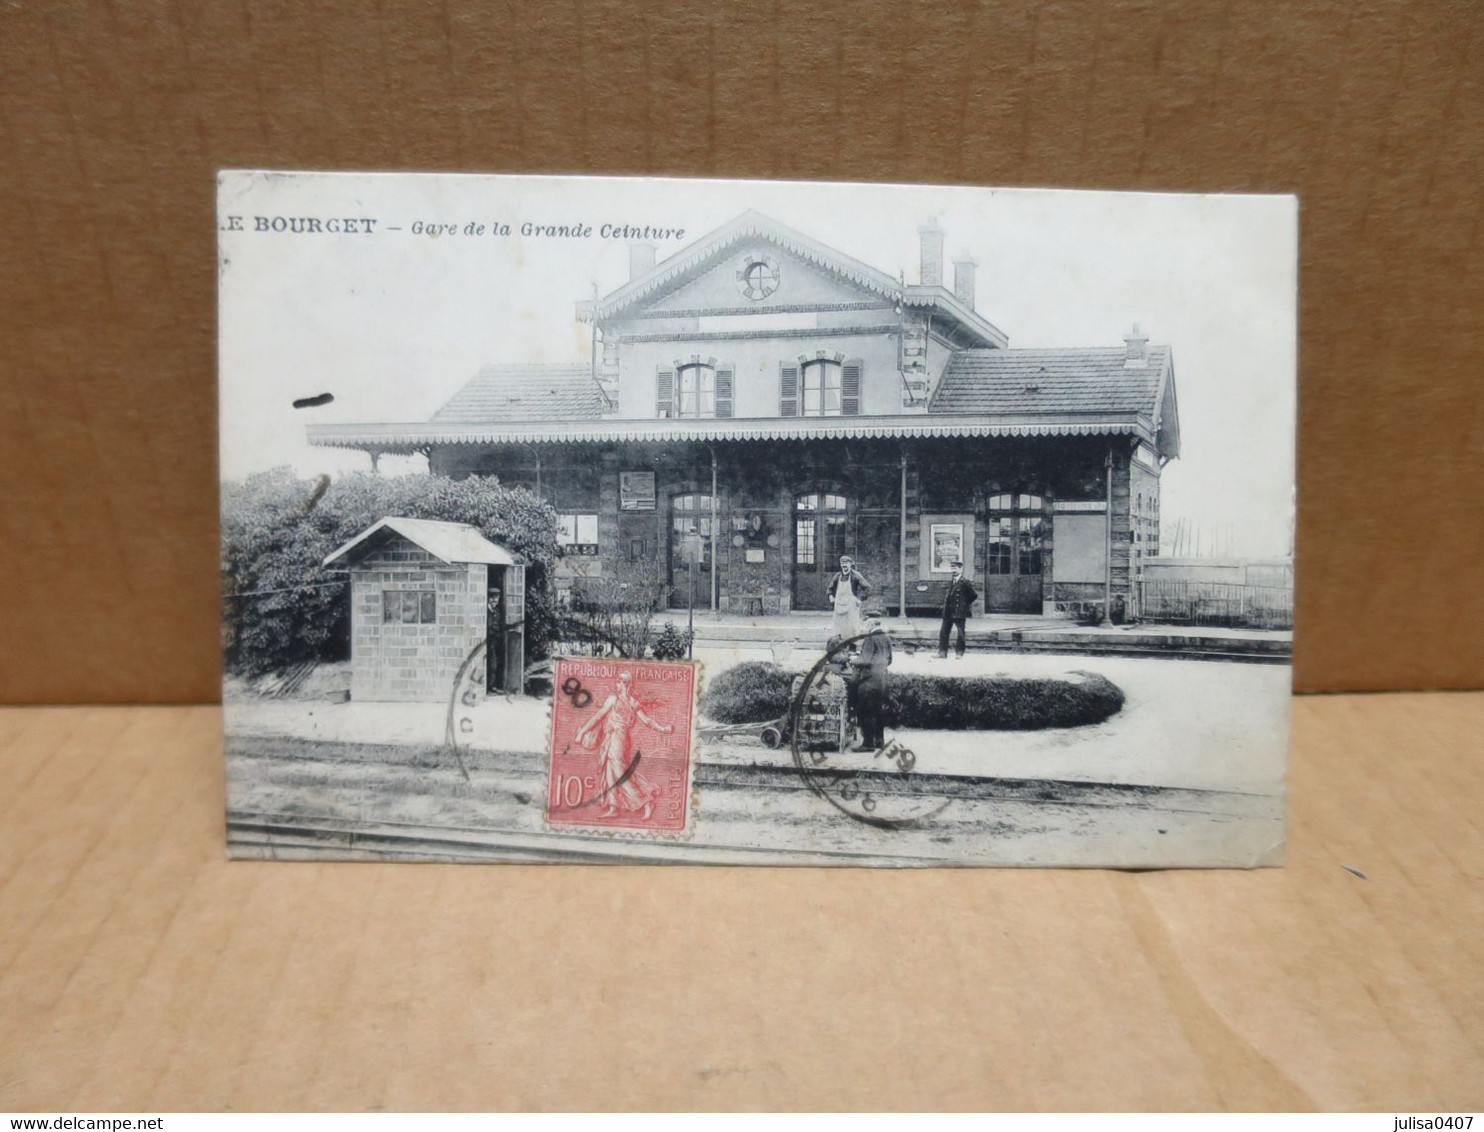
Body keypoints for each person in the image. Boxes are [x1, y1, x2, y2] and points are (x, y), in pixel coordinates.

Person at [574, 670, 674, 819]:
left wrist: (663, 729)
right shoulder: (618, 700)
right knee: (610, 773)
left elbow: (646, 721)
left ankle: (646, 801)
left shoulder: (626, 701)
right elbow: (598, 717)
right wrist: (583, 732)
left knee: (619, 772)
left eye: (619, 682)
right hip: (612, 737)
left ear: (625, 684)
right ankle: (614, 808)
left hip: (619, 738)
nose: (617, 684)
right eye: (617, 681)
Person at [850, 611, 893, 752]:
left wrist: (852, 660)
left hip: (869, 682)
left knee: (866, 712)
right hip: (882, 681)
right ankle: (879, 741)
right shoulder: (886, 638)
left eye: (865, 623)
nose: (864, 626)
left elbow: (865, 660)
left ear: (870, 624)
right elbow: (890, 660)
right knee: (878, 711)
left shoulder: (870, 638)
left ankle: (868, 743)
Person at [826, 555, 873, 642]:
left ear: (850, 564)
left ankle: (852, 647)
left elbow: (868, 588)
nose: (844, 565)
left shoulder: (856, 575)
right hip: (839, 606)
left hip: (851, 606)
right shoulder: (837, 576)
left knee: (852, 628)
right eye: (842, 563)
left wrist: (860, 599)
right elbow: (829, 588)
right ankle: (839, 647)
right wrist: (830, 596)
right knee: (838, 627)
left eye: (846, 563)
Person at [937, 559, 978, 659]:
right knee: (943, 632)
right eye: (952, 568)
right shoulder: (952, 581)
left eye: (955, 568)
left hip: (959, 612)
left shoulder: (965, 582)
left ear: (961, 569)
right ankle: (942, 653)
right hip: (948, 612)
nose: (953, 570)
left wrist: (964, 605)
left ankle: (959, 653)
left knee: (960, 633)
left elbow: (973, 595)